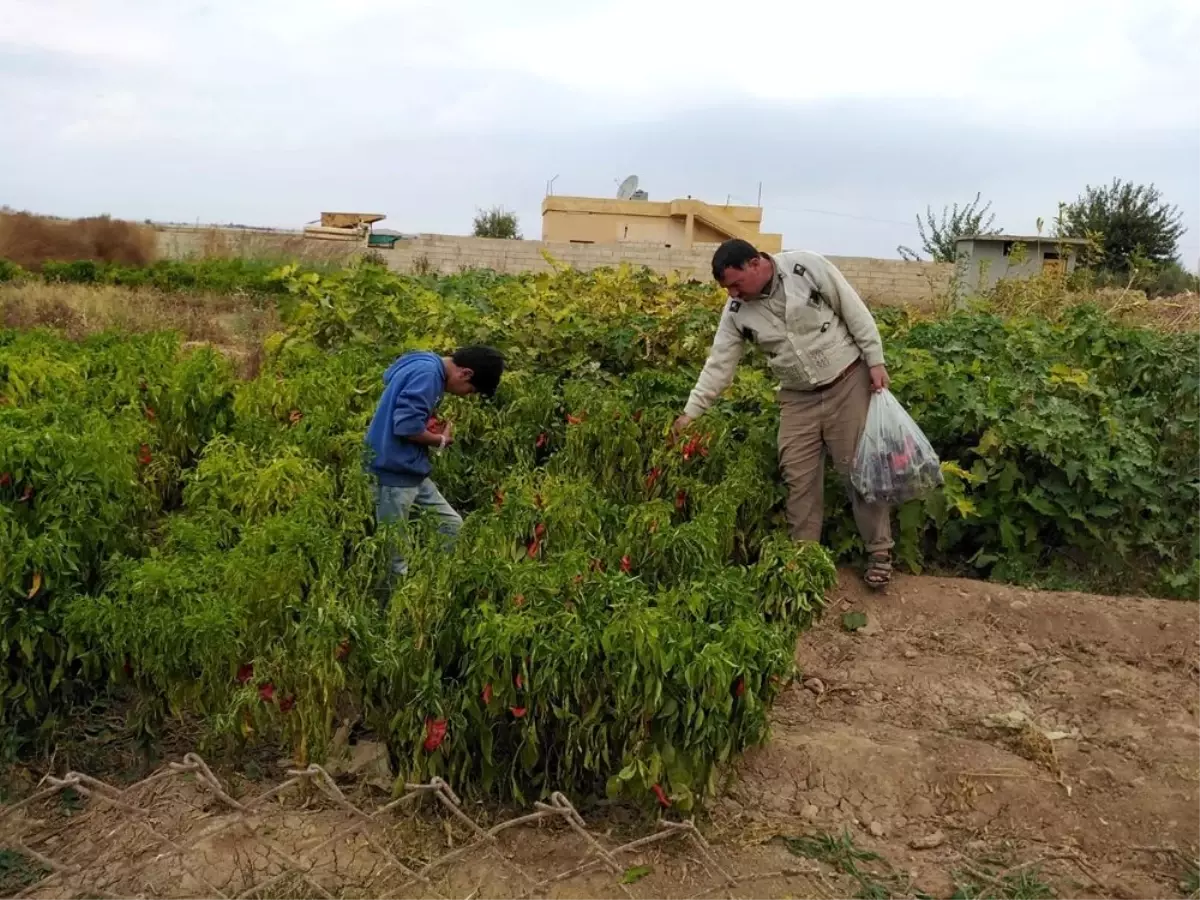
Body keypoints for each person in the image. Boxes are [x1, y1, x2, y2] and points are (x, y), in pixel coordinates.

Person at [672, 239, 894, 589]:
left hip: (847, 382)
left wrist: (875, 360)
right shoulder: (735, 311)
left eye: (735, 283)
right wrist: (690, 413)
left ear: (756, 263)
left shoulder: (806, 268)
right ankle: (803, 562)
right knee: (797, 476)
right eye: (727, 287)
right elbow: (719, 364)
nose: (732, 293)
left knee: (858, 470)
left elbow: (854, 310)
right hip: (797, 398)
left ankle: (879, 553)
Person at [365, 345, 505, 590]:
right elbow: (406, 427)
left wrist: (427, 428)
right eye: (470, 390)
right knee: (394, 558)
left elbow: (406, 415)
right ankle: (388, 615)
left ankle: (433, 587)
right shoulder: (428, 374)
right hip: (392, 474)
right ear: (466, 374)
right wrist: (440, 440)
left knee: (451, 525)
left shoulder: (424, 362)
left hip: (411, 471)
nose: (465, 395)